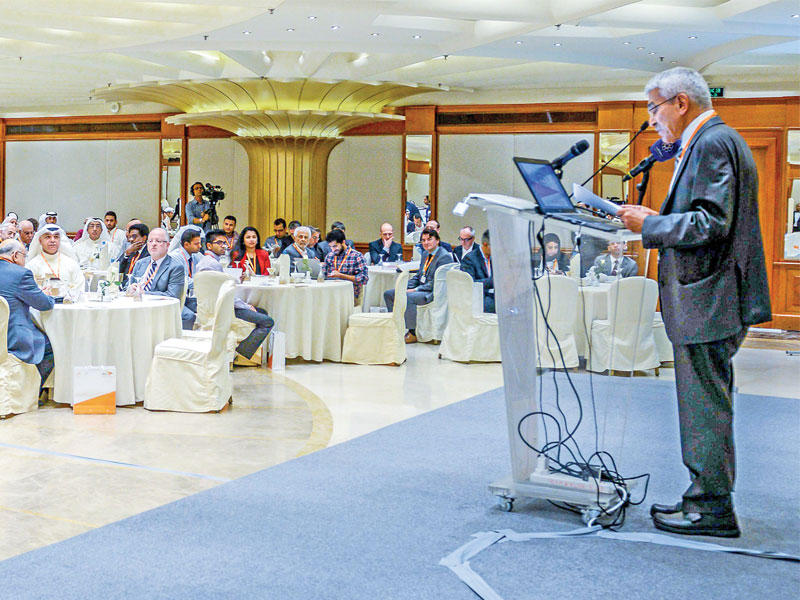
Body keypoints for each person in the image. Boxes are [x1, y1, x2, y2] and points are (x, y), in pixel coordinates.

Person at [617, 67, 771, 538]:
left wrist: (650, 225)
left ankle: (710, 508)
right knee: (707, 403)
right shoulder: (717, 140)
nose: (652, 120)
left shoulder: (710, 143)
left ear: (681, 102)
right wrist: (657, 219)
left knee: (704, 407)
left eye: (654, 108)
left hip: (709, 298)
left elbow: (710, 223)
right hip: (712, 296)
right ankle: (706, 499)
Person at [202, 230, 275, 360]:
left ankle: (247, 352)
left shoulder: (208, 261)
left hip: (220, 304)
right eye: (220, 243)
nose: (224, 246)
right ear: (209, 246)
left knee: (262, 311)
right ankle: (241, 354)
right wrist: (245, 306)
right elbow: (225, 295)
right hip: (224, 308)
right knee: (268, 321)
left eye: (224, 243)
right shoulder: (214, 265)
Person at [0, 240, 55, 394]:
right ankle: (30, 393)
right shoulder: (21, 274)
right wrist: (46, 294)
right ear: (15, 255)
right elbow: (44, 304)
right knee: (51, 346)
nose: (25, 261)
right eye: (24, 256)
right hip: (11, 337)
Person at [384, 228, 453, 343]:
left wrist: (415, 289)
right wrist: (405, 286)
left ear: (437, 240)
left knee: (409, 297)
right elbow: (419, 276)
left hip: (432, 292)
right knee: (389, 294)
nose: (426, 243)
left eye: (429, 239)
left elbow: (436, 283)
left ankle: (413, 333)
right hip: (422, 288)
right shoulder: (425, 254)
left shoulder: (444, 257)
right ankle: (396, 327)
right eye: (423, 240)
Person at [128, 228, 189, 325]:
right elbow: (128, 286)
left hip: (158, 312)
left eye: (158, 241)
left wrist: (145, 293)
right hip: (134, 307)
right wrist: (130, 288)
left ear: (167, 245)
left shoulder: (175, 267)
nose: (153, 244)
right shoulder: (140, 263)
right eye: (150, 241)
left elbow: (173, 296)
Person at [26, 225, 84, 295]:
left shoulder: (71, 263)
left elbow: (79, 287)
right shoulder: (32, 265)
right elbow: (28, 290)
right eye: (48, 237)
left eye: (56, 237)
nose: (52, 240)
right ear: (40, 241)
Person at [322, 228, 368, 303]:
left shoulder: (357, 256)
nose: (333, 250)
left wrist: (341, 276)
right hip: (331, 295)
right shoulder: (329, 256)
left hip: (350, 296)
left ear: (343, 242)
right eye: (331, 247)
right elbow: (323, 275)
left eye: (335, 246)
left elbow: (364, 279)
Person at [169, 228, 202, 329]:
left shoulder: (195, 255)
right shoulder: (175, 257)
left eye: (200, 243)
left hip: (188, 296)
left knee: (209, 307)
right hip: (176, 296)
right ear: (186, 244)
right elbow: (183, 280)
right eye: (196, 244)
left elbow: (206, 264)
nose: (200, 246)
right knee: (189, 316)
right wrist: (202, 283)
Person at [460, 229, 494, 313]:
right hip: (479, 297)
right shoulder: (469, 259)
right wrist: (493, 281)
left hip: (494, 294)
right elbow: (470, 284)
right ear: (485, 245)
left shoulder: (494, 258)